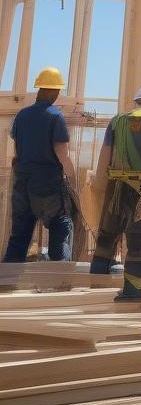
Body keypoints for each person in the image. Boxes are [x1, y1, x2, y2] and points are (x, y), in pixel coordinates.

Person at [89, 83, 141, 302]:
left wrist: (100, 185)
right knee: (139, 238)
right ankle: (134, 291)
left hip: (115, 187)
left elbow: (104, 156)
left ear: (136, 102)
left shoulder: (117, 121)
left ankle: (96, 282)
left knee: (107, 234)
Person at [3, 67, 80, 263]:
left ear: (39, 90)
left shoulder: (21, 115)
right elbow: (62, 154)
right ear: (55, 92)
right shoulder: (55, 117)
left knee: (19, 236)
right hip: (48, 185)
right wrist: (73, 181)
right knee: (61, 227)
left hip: (22, 183)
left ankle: (5, 285)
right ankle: (59, 281)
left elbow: (17, 152)